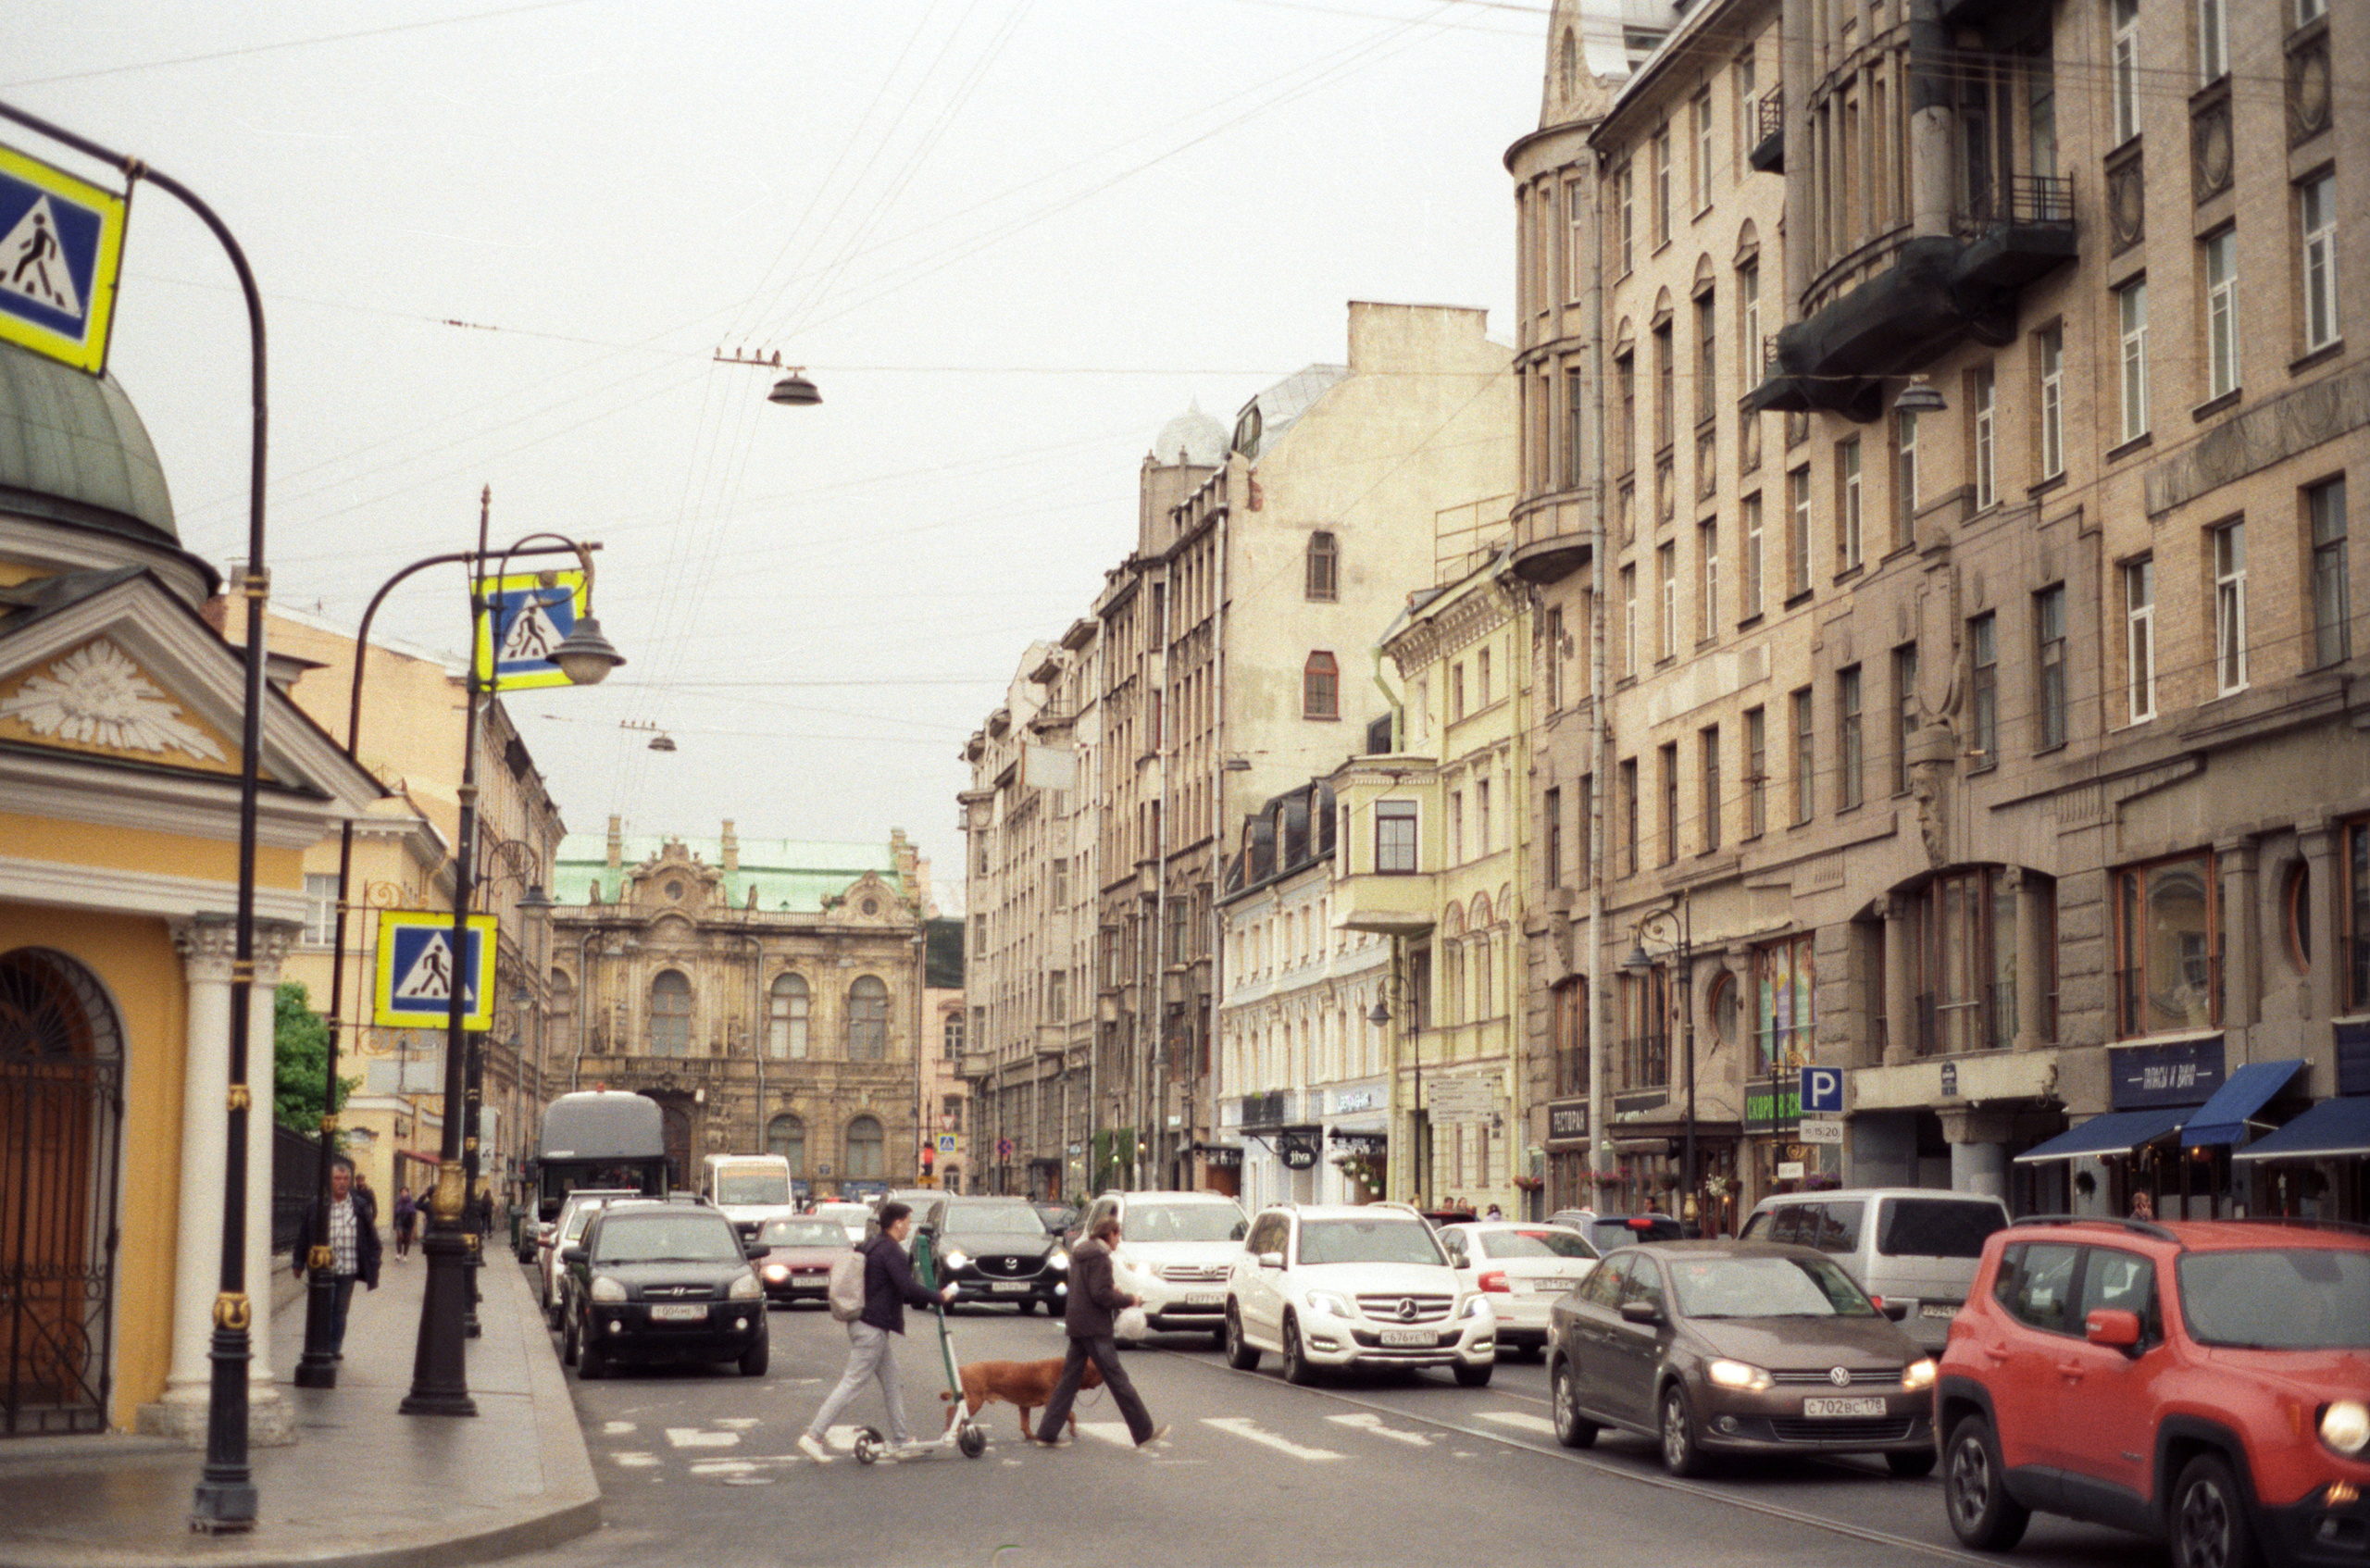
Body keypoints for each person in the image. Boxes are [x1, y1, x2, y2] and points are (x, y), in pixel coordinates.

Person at [797, 1201, 955, 1461]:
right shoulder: (891, 1251)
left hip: (868, 1324)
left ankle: (902, 1440)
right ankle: (813, 1435)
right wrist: (939, 1296)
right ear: (897, 1223)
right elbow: (906, 1287)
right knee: (851, 1383)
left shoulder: (872, 1244)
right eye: (907, 1222)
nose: (908, 1228)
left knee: (892, 1381)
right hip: (872, 1327)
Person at [1033, 1212, 1166, 1450]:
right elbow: (1100, 1295)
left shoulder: (1081, 1253)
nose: (1118, 1242)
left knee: (1068, 1382)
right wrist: (1129, 1299)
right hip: (1094, 1327)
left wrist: (1109, 1289)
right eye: (1118, 1236)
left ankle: (1047, 1433)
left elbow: (1087, 1288)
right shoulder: (1101, 1258)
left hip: (1077, 1323)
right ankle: (1144, 1431)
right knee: (1118, 1380)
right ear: (1110, 1233)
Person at [291, 1159, 381, 1359]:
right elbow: (304, 1235)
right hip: (322, 1267)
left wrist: (375, 1261)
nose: (342, 1182)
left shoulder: (359, 1205)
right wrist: (298, 1262)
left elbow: (372, 1237)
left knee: (340, 1310)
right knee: (323, 1307)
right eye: (337, 1178)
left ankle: (334, 1347)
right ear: (329, 1181)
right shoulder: (317, 1205)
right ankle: (320, 1346)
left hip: (348, 1268)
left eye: (345, 1178)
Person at [392, 1186, 418, 1261]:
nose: (404, 1193)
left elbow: (414, 1214)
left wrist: (414, 1226)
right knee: (399, 1236)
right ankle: (398, 1254)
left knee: (407, 1239)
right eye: (402, 1192)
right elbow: (395, 1213)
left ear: (408, 1192)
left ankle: (405, 1255)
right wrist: (394, 1223)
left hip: (409, 1222)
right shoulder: (398, 1202)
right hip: (400, 1221)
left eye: (405, 1191)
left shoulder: (412, 1202)